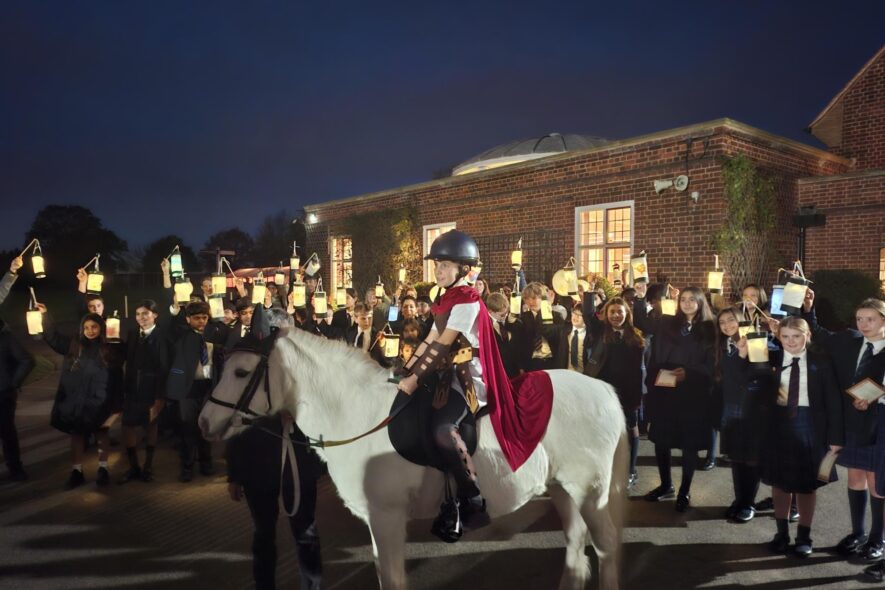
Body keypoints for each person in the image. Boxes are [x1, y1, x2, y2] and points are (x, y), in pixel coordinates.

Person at [397, 230, 554, 542]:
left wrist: (413, 379)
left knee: (443, 429)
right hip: (446, 375)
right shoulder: (444, 300)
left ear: (462, 269)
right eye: (437, 265)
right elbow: (428, 340)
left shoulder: (467, 301)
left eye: (444, 266)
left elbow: (442, 346)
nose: (438, 271)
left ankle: (472, 497)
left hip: (468, 379)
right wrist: (404, 370)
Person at [801, 293, 885, 564]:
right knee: (855, 477)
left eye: (870, 319)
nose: (864, 324)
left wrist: (876, 399)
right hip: (851, 423)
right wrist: (809, 309)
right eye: (860, 319)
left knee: (876, 482)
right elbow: (819, 334)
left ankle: (877, 539)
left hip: (878, 424)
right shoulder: (849, 340)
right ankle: (858, 533)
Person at [760, 316, 843, 557]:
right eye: (785, 336)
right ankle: (781, 533)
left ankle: (804, 535)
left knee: (807, 485)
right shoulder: (771, 359)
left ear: (808, 336)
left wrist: (835, 438)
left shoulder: (821, 363)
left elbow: (833, 403)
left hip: (811, 426)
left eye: (796, 336)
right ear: (778, 337)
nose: (790, 341)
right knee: (780, 482)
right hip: (779, 425)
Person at [636, 286, 715, 512]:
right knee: (662, 441)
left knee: (689, 445)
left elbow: (713, 361)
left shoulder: (709, 329)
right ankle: (666, 485)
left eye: (692, 299)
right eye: (684, 299)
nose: (687, 303)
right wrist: (641, 297)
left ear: (701, 302)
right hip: (666, 390)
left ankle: (684, 490)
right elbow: (642, 322)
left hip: (693, 392)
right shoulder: (668, 323)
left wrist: (689, 373)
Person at [40, 305, 124, 489]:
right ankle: (76, 471)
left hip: (100, 401)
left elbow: (118, 379)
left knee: (101, 434)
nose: (90, 331)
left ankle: (103, 468)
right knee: (77, 435)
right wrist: (46, 315)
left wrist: (116, 408)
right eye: (86, 328)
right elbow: (53, 338)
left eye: (94, 327)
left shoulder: (110, 349)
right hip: (77, 401)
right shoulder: (74, 345)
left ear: (101, 328)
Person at [583, 296, 646, 488]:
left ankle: (630, 471)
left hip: (628, 391)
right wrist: (589, 293)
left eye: (620, 311)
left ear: (627, 313)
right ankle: (605, 470)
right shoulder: (600, 332)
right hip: (603, 391)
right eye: (612, 312)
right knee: (603, 431)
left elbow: (638, 370)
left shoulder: (635, 336)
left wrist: (641, 298)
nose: (616, 315)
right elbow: (588, 314)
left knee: (630, 430)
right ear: (606, 315)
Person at [714, 307, 764, 522]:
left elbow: (751, 375)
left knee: (751, 458)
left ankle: (749, 503)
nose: (727, 325)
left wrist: (743, 355)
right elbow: (727, 377)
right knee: (736, 459)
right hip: (731, 407)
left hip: (751, 410)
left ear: (741, 320)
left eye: (731, 320)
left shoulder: (756, 342)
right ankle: (739, 499)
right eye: (722, 322)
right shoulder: (724, 346)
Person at [166, 300, 220, 482]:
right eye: (197, 318)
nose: (201, 321)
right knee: (188, 429)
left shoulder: (214, 333)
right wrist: (175, 306)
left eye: (204, 317)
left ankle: (206, 464)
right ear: (188, 319)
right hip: (188, 388)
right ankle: (187, 467)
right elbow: (171, 325)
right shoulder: (182, 334)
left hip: (208, 387)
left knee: (205, 428)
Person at [119, 299, 171, 484]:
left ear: (155, 315)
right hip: (133, 388)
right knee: (127, 425)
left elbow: (165, 368)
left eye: (145, 313)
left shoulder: (162, 336)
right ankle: (133, 466)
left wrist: (160, 396)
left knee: (151, 426)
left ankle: (148, 466)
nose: (141, 317)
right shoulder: (132, 334)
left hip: (152, 389)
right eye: (138, 314)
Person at [0, 317, 35, 481]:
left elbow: (26, 360)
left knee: (7, 432)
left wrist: (12, 383)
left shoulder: (6, 338)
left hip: (3, 394)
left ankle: (15, 468)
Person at [520, 282, 568, 372]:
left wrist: (544, 310)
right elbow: (520, 345)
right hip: (532, 363)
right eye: (526, 298)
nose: (530, 302)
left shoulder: (556, 316)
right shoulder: (523, 318)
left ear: (542, 298)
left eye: (534, 298)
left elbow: (561, 343)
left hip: (552, 362)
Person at [486, 293, 526, 379]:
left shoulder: (514, 322)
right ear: (490, 311)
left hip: (514, 371)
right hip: (496, 372)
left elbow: (519, 346)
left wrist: (521, 367)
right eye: (501, 315)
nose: (505, 316)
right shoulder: (485, 325)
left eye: (506, 313)